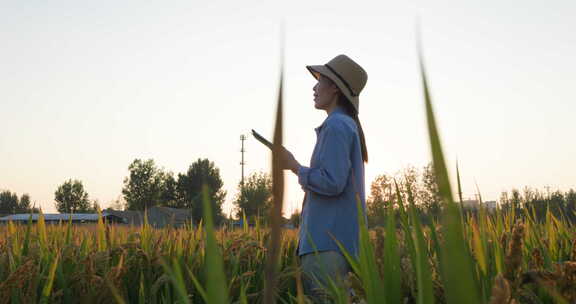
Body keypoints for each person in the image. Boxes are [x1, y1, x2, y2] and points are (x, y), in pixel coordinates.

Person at [280, 54, 369, 302]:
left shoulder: (336, 126)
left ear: (335, 89)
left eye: (320, 81)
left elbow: (332, 181)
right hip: (338, 245)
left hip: (326, 247)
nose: (314, 87)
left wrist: (295, 167)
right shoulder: (345, 125)